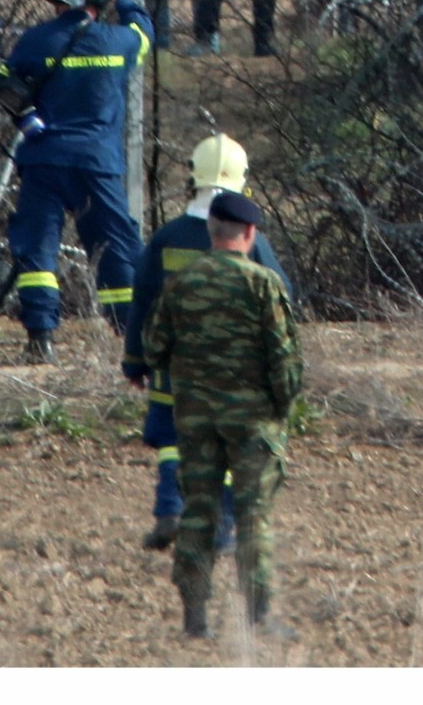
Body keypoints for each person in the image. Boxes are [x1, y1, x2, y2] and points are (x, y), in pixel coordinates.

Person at [142, 190, 303, 642]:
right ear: (249, 233)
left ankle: (195, 615)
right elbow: (286, 361)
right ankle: (260, 615)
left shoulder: (182, 283)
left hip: (195, 420)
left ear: (212, 233)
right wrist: (283, 409)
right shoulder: (263, 284)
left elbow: (154, 347)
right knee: (253, 517)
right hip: (253, 423)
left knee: (198, 512)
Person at [122, 134, 291, 551]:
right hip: (234, 376)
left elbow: (141, 301)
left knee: (170, 441)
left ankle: (169, 511)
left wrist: (136, 362)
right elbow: (282, 298)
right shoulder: (253, 241)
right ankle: (221, 526)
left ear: (192, 177)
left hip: (172, 373)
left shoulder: (165, 238)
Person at [0, 0, 153, 363]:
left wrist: (27, 117)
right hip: (97, 164)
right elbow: (145, 35)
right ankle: (127, 333)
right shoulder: (119, 42)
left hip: (44, 160)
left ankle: (41, 338)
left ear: (59, 0)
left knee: (37, 247)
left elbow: (4, 82)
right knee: (116, 247)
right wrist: (125, 0)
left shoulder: (35, 41)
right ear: (97, 3)